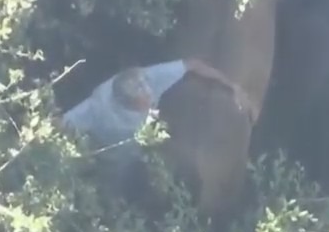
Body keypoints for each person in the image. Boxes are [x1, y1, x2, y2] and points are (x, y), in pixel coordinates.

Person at [60, 58, 231, 175]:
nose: (148, 91)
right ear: (127, 104)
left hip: (142, 149)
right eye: (141, 95)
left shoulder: (148, 78)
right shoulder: (98, 108)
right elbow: (63, 124)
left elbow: (192, 64)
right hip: (112, 160)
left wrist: (232, 87)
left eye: (146, 87)